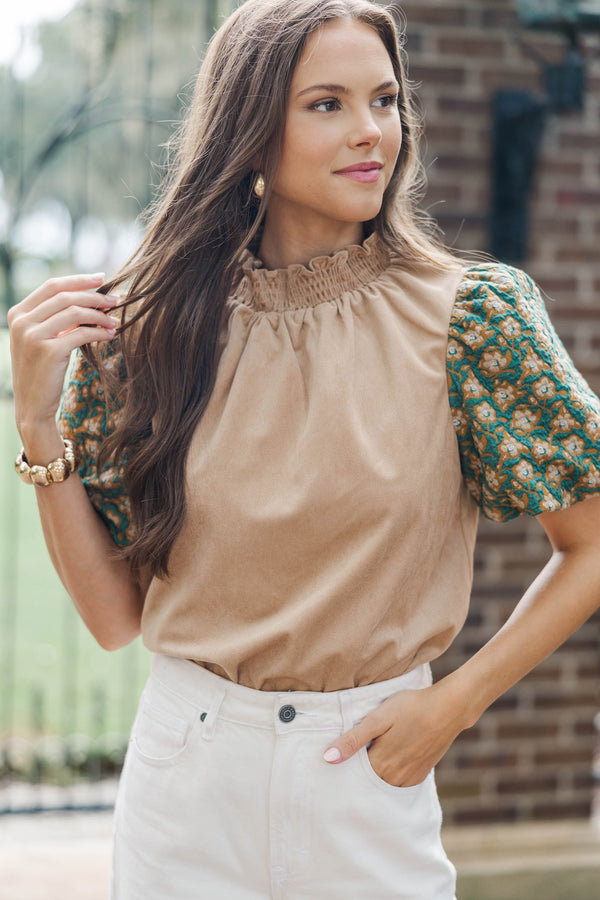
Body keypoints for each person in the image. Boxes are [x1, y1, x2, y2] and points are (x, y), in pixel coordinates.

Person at [8, 0, 600, 897]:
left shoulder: (472, 316)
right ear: (249, 133)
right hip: (186, 779)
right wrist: (37, 427)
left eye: (385, 99)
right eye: (326, 104)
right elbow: (115, 618)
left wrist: (453, 706)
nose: (371, 133)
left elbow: (591, 540)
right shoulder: (147, 331)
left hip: (367, 768)